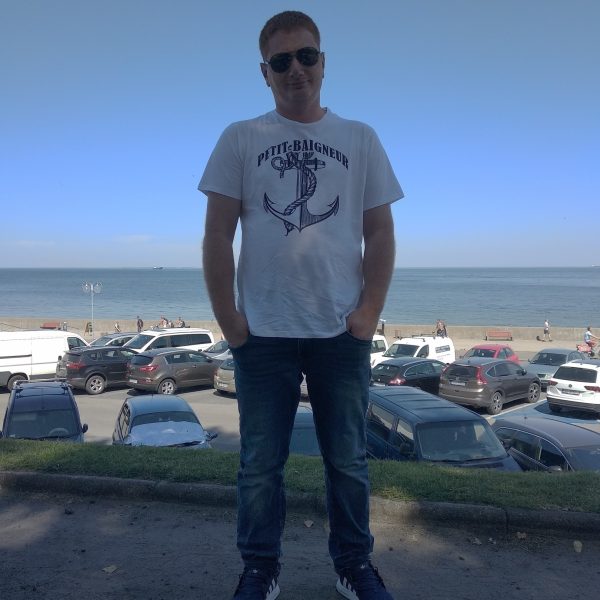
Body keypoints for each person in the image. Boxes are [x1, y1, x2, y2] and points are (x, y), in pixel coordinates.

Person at [200, 11, 402, 600]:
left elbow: (380, 232)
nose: (296, 69)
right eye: (281, 61)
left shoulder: (360, 138)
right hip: (262, 333)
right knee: (260, 465)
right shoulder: (241, 138)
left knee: (348, 462)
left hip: (340, 332)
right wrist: (230, 322)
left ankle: (354, 565)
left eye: (306, 56)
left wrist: (367, 314)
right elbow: (217, 235)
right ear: (265, 73)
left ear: (323, 62)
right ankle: (260, 568)